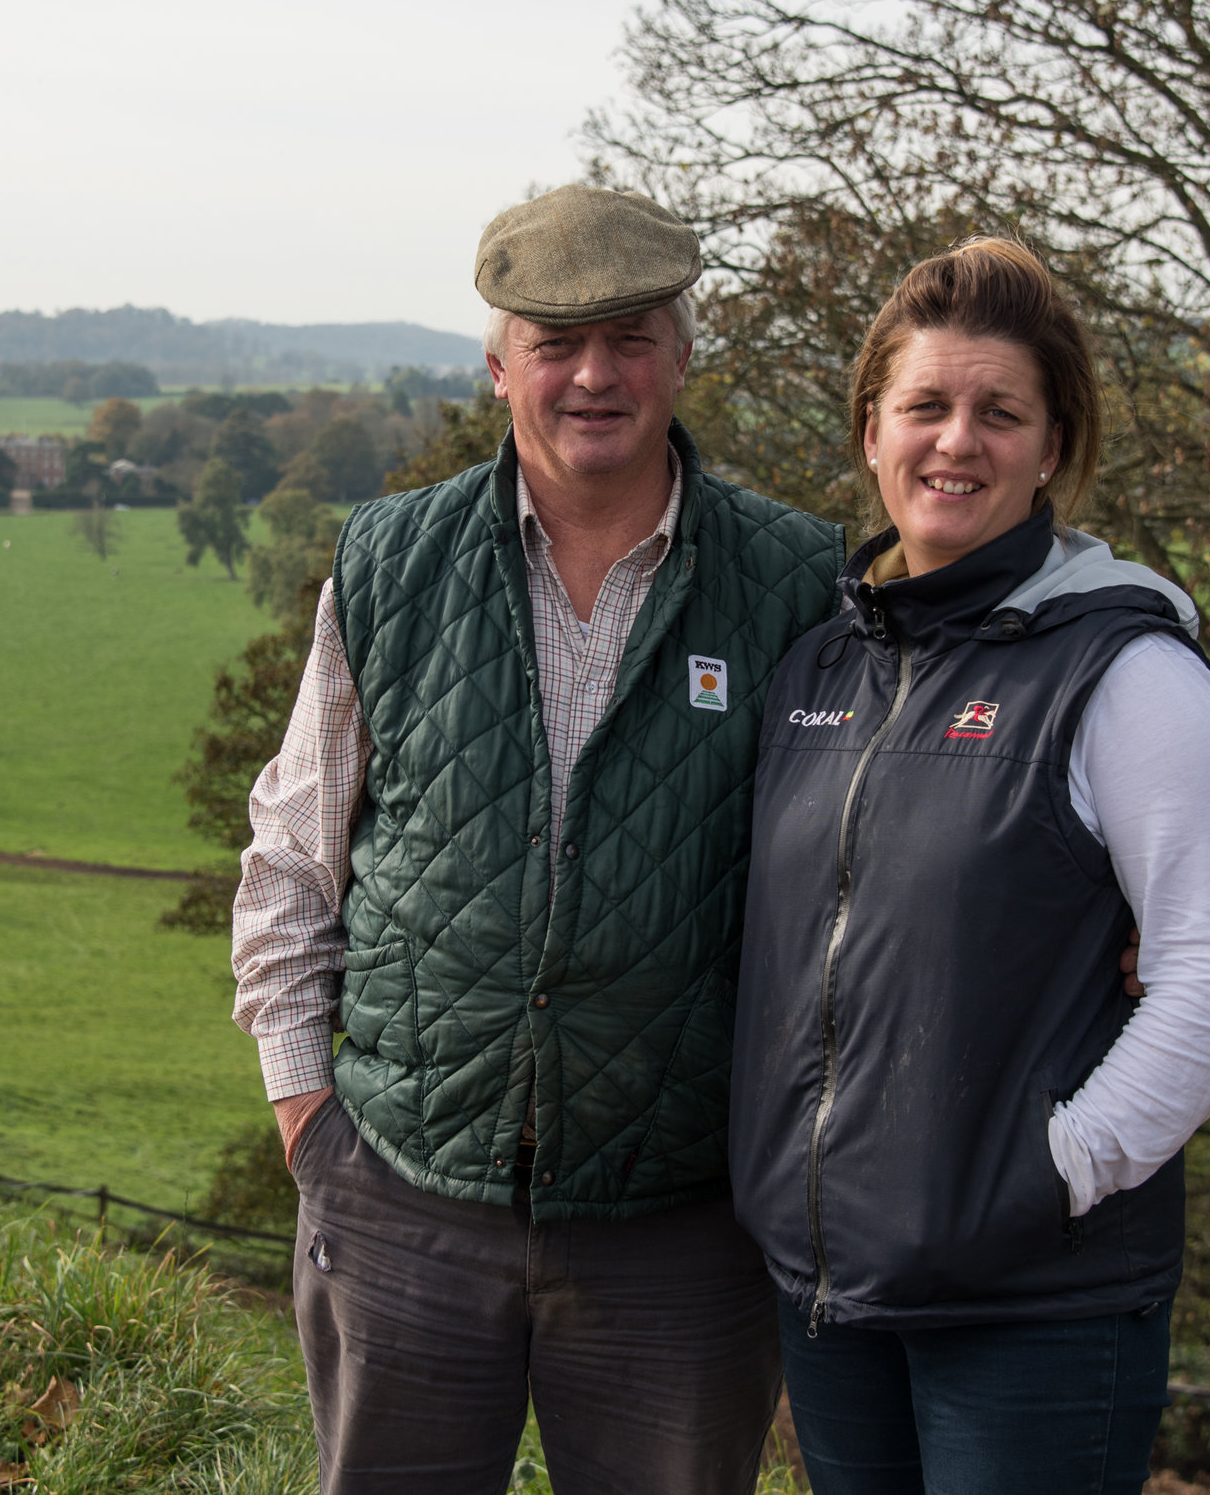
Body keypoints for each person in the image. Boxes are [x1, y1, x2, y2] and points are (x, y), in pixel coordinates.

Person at [230, 185, 849, 1494]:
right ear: (499, 364)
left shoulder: (798, 584)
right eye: (556, 341)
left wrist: (1102, 898)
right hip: (400, 1191)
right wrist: (308, 1121)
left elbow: (891, 843)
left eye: (630, 336)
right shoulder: (393, 564)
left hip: (680, 1225)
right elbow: (294, 851)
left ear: (684, 353)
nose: (594, 375)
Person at [732, 238, 1210, 1495]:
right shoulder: (825, 666)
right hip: (835, 1296)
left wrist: (1058, 1167)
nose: (954, 442)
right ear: (871, 430)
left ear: (1051, 445)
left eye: (999, 413)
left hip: (1037, 1306)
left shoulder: (1126, 673)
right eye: (924, 405)